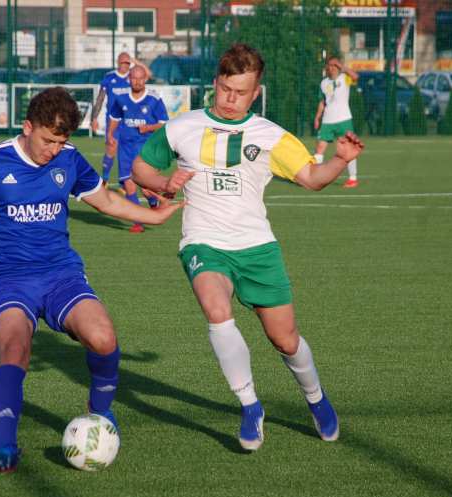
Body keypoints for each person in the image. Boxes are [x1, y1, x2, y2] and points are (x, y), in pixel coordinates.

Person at [0, 87, 184, 472]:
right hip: (8, 280)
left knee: (104, 337)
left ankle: (100, 414)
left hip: (61, 274)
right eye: (48, 140)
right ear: (28, 127)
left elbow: (104, 200)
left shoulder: (70, 161)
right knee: (15, 351)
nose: (54, 150)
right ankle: (4, 447)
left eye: (61, 142)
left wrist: (153, 217)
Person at [132, 43, 364, 451]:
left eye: (240, 92)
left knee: (285, 340)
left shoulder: (271, 135)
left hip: (257, 247)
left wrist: (340, 161)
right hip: (204, 241)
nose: (230, 99)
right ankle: (250, 405)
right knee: (216, 310)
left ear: (256, 92)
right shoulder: (183, 126)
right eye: (224, 89)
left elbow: (311, 177)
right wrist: (161, 184)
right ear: (216, 83)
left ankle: (316, 399)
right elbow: (141, 168)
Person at [107, 65, 169, 233]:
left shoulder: (154, 99)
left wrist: (148, 127)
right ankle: (138, 222)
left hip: (146, 150)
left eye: (140, 78)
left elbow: (164, 124)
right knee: (129, 185)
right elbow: (114, 117)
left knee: (147, 190)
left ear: (145, 79)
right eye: (134, 78)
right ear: (129, 79)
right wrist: (110, 134)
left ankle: (154, 204)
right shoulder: (121, 98)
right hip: (126, 149)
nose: (137, 81)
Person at [90, 52, 150, 187]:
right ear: (118, 62)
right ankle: (104, 179)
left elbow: (148, 74)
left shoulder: (133, 77)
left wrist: (137, 62)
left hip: (129, 121)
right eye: (123, 62)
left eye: (128, 63)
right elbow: (100, 99)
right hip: (113, 121)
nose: (125, 65)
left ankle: (124, 184)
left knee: (129, 153)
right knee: (111, 149)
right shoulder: (109, 78)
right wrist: (94, 118)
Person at [313, 56, 359, 188]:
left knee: (347, 149)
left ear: (338, 67)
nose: (331, 68)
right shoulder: (324, 83)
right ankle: (315, 177)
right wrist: (317, 117)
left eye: (334, 66)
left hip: (343, 119)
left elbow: (356, 77)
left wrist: (342, 66)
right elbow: (323, 101)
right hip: (327, 121)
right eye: (329, 66)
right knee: (320, 147)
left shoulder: (344, 78)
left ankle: (353, 179)